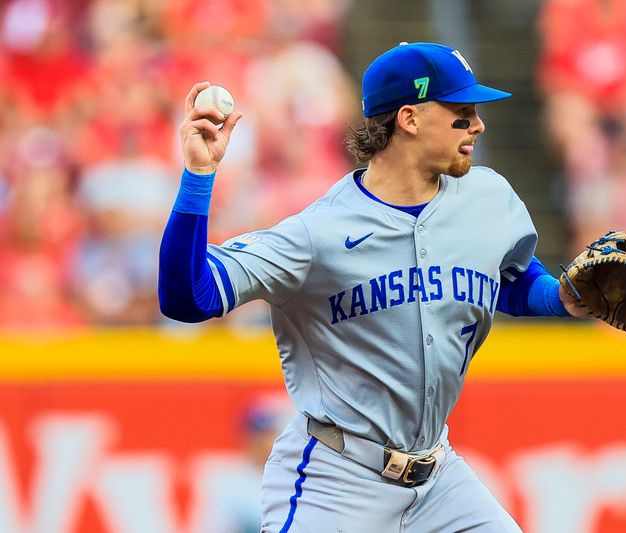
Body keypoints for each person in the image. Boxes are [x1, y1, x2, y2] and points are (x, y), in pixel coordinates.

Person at [159, 42, 584, 533]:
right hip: (336, 481)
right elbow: (187, 298)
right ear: (409, 118)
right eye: (461, 114)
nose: (478, 126)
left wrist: (561, 298)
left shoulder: (488, 199)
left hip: (437, 478)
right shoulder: (317, 234)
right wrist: (198, 176)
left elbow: (507, 279)